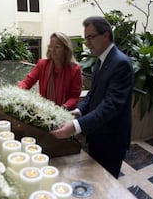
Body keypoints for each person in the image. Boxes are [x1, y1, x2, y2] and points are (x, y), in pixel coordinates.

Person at [50, 16, 134, 179]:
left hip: (112, 141)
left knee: (107, 187)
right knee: (93, 181)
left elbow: (110, 106)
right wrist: (79, 112)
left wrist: (75, 126)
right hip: (96, 135)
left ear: (106, 35)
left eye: (90, 37)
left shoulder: (121, 63)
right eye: (85, 38)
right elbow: (92, 94)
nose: (87, 43)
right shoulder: (100, 61)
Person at [17, 32, 82, 110]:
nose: (53, 50)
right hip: (45, 111)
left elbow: (74, 97)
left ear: (65, 49)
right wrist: (17, 91)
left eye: (57, 47)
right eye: (51, 47)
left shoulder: (74, 69)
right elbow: (27, 82)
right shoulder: (42, 64)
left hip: (65, 113)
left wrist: (63, 108)